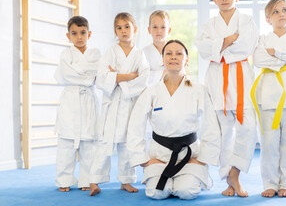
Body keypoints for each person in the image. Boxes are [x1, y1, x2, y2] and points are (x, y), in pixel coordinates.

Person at [127, 40, 221, 200]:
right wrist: (143, 160)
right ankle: (160, 177)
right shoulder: (152, 91)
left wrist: (204, 159)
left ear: (186, 59)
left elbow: (211, 124)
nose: (173, 57)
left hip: (189, 155)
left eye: (179, 54)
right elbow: (135, 125)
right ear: (162, 59)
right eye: (168, 53)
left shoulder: (199, 90)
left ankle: (195, 177)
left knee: (187, 192)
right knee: (157, 193)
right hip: (159, 155)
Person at [194, 0, 259, 197]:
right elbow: (202, 49)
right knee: (223, 133)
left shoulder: (247, 20)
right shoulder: (208, 25)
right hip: (217, 78)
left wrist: (220, 46)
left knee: (248, 128)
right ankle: (229, 180)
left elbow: (246, 46)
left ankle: (235, 172)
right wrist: (229, 39)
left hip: (241, 76)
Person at [250, 0, 286, 198]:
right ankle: (270, 183)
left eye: (284, 10)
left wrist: (276, 53)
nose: (281, 14)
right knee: (268, 143)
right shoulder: (263, 39)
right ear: (268, 19)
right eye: (275, 11)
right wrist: (284, 57)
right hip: (268, 97)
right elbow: (258, 59)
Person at [89, 12, 149, 196]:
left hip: (130, 105)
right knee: (104, 142)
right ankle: (94, 179)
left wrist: (116, 77)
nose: (123, 31)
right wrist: (129, 76)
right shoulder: (111, 51)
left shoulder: (140, 54)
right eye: (119, 28)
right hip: (112, 105)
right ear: (115, 31)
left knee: (127, 144)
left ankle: (126, 180)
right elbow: (102, 77)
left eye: (127, 27)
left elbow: (143, 79)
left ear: (135, 29)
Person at [54, 16, 101, 192]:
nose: (79, 37)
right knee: (66, 142)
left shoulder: (95, 53)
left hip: (88, 100)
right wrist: (89, 76)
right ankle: (64, 180)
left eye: (83, 33)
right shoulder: (66, 54)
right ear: (69, 36)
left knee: (89, 144)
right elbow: (66, 75)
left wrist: (83, 74)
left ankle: (87, 180)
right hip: (70, 100)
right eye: (74, 33)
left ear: (89, 34)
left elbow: (98, 72)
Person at [143, 10, 171, 85]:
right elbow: (142, 78)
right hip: (152, 93)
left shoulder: (175, 50)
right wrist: (165, 72)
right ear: (149, 30)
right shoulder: (143, 53)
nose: (159, 30)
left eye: (163, 27)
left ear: (169, 30)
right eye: (155, 27)